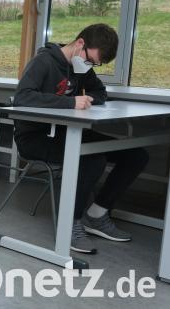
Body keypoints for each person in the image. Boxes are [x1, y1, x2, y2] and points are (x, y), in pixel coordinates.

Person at [13, 23, 148, 254]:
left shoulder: (81, 66)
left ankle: (96, 215)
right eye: (91, 61)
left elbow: (100, 92)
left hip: (69, 131)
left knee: (136, 155)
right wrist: (70, 102)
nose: (91, 67)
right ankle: (71, 225)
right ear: (80, 44)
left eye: (96, 65)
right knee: (91, 159)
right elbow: (22, 98)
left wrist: (89, 100)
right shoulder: (43, 62)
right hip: (35, 137)